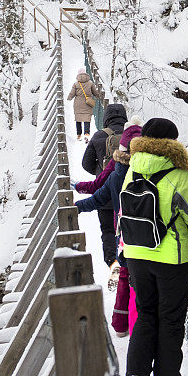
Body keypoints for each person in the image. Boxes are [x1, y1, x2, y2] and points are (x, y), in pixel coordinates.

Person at [122, 118, 188, 376]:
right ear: (173, 142)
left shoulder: (132, 169)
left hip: (136, 253)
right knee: (170, 320)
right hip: (172, 259)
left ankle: (136, 372)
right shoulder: (178, 175)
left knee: (146, 313)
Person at [74, 121, 143, 338]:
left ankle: (121, 325)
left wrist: (76, 207)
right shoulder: (151, 174)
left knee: (125, 275)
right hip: (150, 237)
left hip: (123, 235)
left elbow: (97, 198)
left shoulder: (115, 174)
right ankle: (138, 324)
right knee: (141, 281)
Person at [82, 104, 129, 268]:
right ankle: (128, 264)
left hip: (106, 193)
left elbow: (86, 164)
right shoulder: (134, 136)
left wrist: (101, 173)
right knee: (129, 227)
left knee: (108, 229)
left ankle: (112, 262)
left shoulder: (98, 136)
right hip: (130, 192)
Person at [66, 67, 96, 142]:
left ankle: (79, 135)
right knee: (87, 119)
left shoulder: (76, 84)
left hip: (78, 104)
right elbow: (95, 92)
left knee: (78, 119)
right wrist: (98, 95)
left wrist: (68, 98)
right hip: (87, 103)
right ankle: (86, 134)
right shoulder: (90, 83)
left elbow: (72, 93)